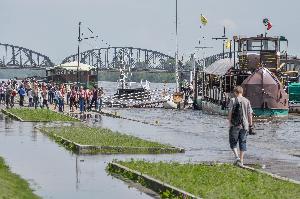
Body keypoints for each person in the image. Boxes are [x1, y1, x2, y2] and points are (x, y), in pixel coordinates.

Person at [228, 86, 254, 167]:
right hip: (245, 125)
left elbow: (230, 112)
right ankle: (241, 161)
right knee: (242, 142)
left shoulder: (232, 100)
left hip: (235, 124)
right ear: (242, 92)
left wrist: (229, 122)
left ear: (235, 92)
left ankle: (237, 157)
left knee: (233, 142)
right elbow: (250, 114)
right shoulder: (247, 101)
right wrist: (250, 125)